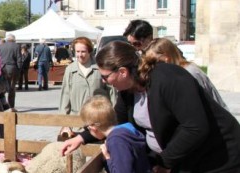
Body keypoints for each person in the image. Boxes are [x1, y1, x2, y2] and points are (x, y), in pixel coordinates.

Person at [60, 41, 240, 172]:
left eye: (106, 76)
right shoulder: (128, 91)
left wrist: (164, 162)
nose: (104, 81)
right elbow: (113, 121)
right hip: (181, 160)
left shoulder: (169, 79)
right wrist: (81, 138)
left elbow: (195, 127)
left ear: (122, 72)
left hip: (217, 160)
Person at [142, 38, 228, 110]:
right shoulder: (179, 72)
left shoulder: (189, 72)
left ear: (166, 58)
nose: (152, 67)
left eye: (154, 62)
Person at [79, 95, 150, 173]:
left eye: (86, 128)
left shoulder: (116, 141)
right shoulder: (127, 129)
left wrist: (107, 158)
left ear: (93, 128)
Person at [59, 37, 115, 115]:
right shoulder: (70, 70)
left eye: (83, 51)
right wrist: (64, 123)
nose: (80, 55)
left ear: (90, 51)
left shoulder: (100, 67)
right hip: (77, 119)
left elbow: (111, 91)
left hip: (99, 117)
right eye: (77, 51)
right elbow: (65, 94)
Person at [0, 33, 20, 112]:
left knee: (1, 87)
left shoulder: (0, 47)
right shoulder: (16, 46)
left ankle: (2, 106)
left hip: (1, 69)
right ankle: (11, 107)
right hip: (13, 69)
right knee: (12, 89)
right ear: (14, 39)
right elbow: (19, 59)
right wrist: (19, 70)